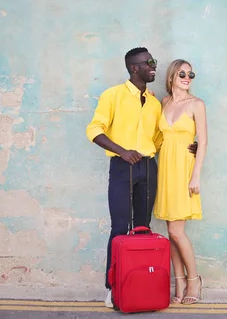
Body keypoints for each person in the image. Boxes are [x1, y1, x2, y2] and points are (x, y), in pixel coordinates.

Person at [85, 47, 196, 308]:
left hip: (148, 168)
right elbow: (94, 129)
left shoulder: (156, 102)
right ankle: (113, 287)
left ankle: (139, 286)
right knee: (119, 228)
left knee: (143, 228)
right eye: (148, 63)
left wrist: (193, 145)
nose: (153, 66)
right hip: (123, 168)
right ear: (134, 68)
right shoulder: (113, 95)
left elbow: (162, 137)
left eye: (153, 62)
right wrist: (122, 152)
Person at [153, 59, 208, 305]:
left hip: (184, 168)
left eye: (191, 74)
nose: (188, 77)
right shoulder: (163, 102)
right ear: (172, 76)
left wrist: (195, 175)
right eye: (183, 73)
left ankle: (194, 279)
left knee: (177, 230)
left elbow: (203, 142)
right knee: (170, 231)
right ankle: (179, 279)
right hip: (165, 168)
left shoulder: (196, 104)